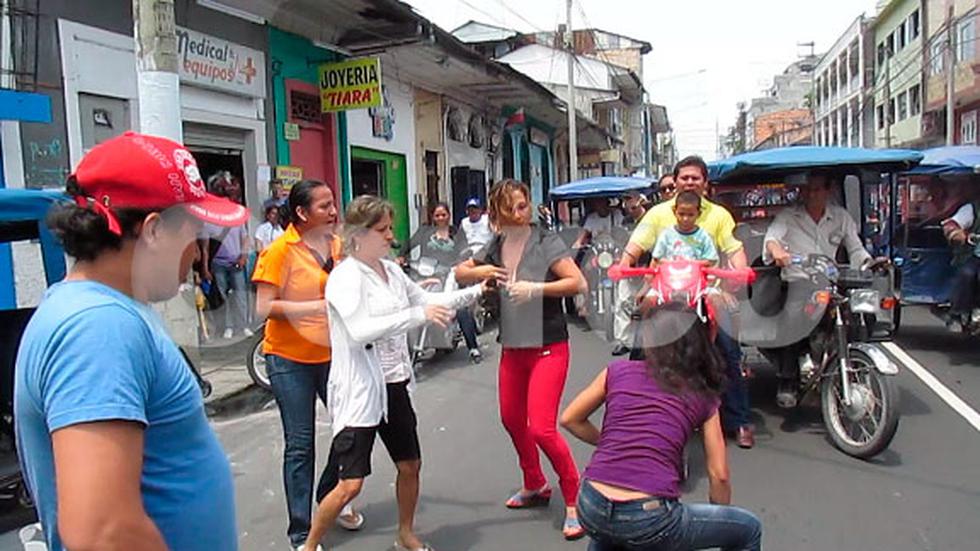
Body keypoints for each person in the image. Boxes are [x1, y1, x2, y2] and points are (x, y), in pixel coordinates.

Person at [14, 132, 245, 550]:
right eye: (193, 234)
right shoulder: (98, 327)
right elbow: (103, 531)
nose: (197, 254)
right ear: (153, 230)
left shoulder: (108, 311)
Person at [306, 195, 487, 551]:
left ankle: (405, 533)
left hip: (395, 384)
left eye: (390, 228)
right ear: (359, 235)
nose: (391, 236)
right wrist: (416, 316)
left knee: (410, 465)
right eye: (382, 230)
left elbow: (426, 301)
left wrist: (480, 290)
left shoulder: (389, 271)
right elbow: (360, 330)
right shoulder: (345, 277)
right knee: (350, 485)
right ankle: (309, 545)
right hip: (360, 391)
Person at [560, 306, 763, 551]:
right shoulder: (703, 396)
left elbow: (570, 419)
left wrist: (609, 442)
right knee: (748, 528)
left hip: (590, 503)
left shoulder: (617, 372)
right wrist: (722, 520)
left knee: (609, 531)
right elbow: (719, 475)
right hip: (649, 517)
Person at [455, 179, 589, 540]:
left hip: (548, 345)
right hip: (513, 346)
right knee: (512, 419)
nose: (520, 213)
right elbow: (460, 271)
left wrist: (536, 289)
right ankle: (535, 482)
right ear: (497, 213)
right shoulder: (497, 244)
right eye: (512, 207)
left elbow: (577, 282)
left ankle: (574, 495)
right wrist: (483, 272)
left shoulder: (545, 240)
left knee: (542, 428)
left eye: (523, 205)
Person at [251, 179, 361, 550]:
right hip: (289, 359)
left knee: (351, 430)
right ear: (301, 213)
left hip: (333, 355)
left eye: (333, 203)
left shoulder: (337, 245)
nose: (333, 211)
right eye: (324, 206)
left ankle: (330, 495)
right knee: (300, 444)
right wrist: (317, 307)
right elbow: (264, 307)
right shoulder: (279, 251)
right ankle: (300, 532)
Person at [620, 156, 755, 449]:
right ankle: (631, 409)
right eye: (684, 177)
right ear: (676, 181)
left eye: (696, 178)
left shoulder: (719, 216)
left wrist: (738, 274)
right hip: (666, 290)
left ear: (705, 183)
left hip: (705, 289)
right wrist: (625, 264)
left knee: (728, 347)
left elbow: (734, 249)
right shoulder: (658, 215)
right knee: (642, 345)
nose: (690, 182)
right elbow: (637, 247)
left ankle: (739, 419)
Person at [763, 172, 878, 408]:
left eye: (817, 189)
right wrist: (778, 252)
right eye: (806, 190)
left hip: (831, 281)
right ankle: (788, 380)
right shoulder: (789, 216)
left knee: (863, 315)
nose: (811, 194)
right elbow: (772, 239)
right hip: (798, 281)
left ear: (828, 190)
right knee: (793, 318)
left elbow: (855, 249)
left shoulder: (841, 217)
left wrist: (868, 263)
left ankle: (855, 367)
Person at [401, 202, 483, 363]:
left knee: (458, 307)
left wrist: (460, 263)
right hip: (426, 275)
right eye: (437, 215)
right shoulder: (425, 231)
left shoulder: (456, 233)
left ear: (448, 216)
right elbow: (409, 244)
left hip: (448, 275)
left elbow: (464, 250)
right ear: (433, 217)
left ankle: (473, 348)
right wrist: (401, 256)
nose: (440, 218)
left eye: (443, 215)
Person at [199, 172, 252, 340]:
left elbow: (245, 238)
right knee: (223, 296)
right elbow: (205, 247)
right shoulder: (208, 219)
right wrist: (205, 268)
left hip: (236, 261)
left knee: (240, 294)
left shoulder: (236, 215)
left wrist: (243, 256)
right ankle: (228, 326)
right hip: (218, 263)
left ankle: (243, 326)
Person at [611, 191, 650, 356]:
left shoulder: (650, 219)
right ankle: (624, 341)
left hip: (647, 268)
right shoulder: (625, 222)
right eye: (625, 201)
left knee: (646, 304)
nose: (629, 204)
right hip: (628, 268)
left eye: (631, 200)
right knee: (623, 302)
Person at [942, 193, 980, 330]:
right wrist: (956, 233)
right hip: (975, 256)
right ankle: (957, 312)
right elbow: (952, 224)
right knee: (967, 274)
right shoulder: (973, 208)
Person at [651, 191, 720, 264]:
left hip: (695, 271)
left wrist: (690, 264)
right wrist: (675, 264)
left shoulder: (703, 236)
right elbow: (657, 258)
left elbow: (711, 260)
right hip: (671, 270)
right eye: (681, 214)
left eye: (691, 215)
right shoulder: (667, 234)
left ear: (699, 214)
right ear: (674, 211)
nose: (685, 219)